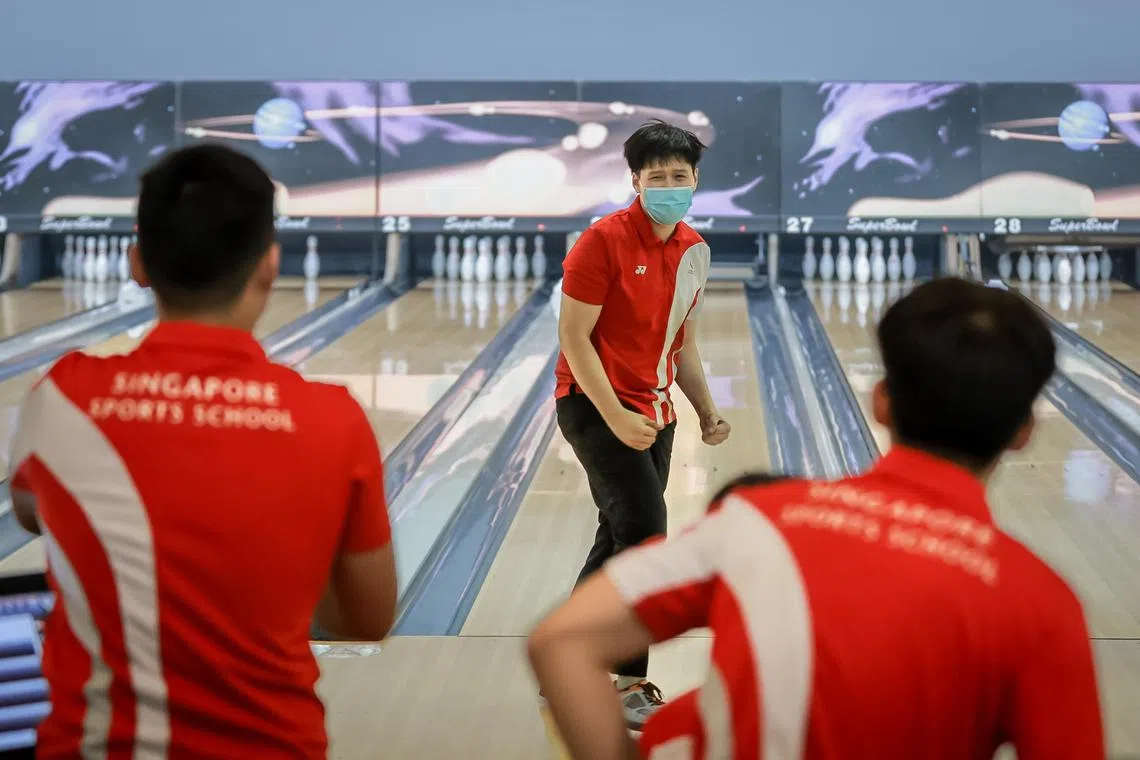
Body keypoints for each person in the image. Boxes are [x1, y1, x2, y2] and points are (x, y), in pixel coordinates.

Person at [529, 277, 1105, 760]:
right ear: (1025, 430)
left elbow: (562, 642)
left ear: (881, 402)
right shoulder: (1039, 603)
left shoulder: (758, 518)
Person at [8, 144, 397, 759]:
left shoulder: (61, 397)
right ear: (269, 263)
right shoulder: (331, 419)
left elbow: (32, 512)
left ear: (137, 263)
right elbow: (366, 620)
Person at [553, 119, 731, 729]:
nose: (670, 185)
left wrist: (705, 411)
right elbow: (574, 339)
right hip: (592, 403)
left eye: (679, 176)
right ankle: (632, 681)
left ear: (695, 179)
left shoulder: (694, 250)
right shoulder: (601, 241)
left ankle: (565, 657)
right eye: (657, 177)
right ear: (635, 181)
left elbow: (681, 345)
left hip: (656, 412)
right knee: (646, 537)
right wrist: (616, 418)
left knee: (619, 533)